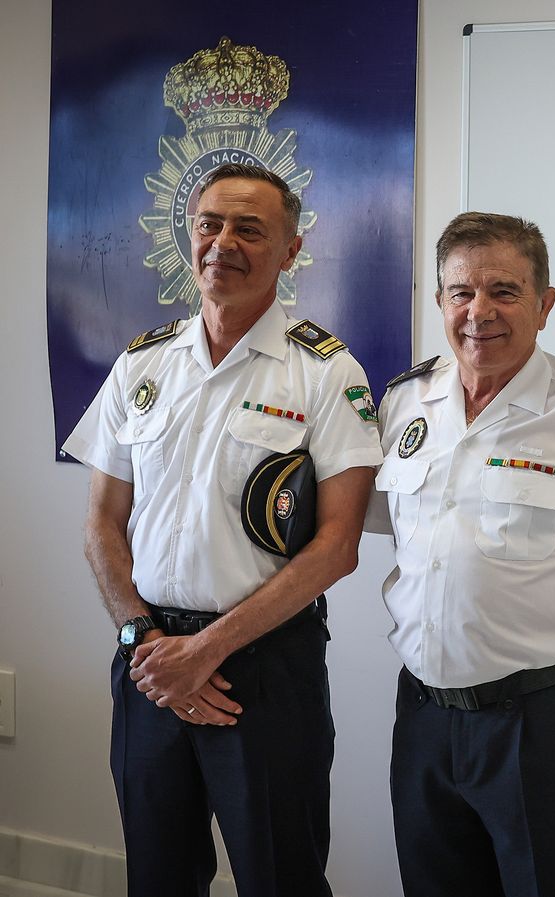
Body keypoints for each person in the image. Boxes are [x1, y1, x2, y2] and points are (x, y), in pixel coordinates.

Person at [65, 163, 381, 897]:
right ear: (189, 233)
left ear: (290, 250)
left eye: (249, 228)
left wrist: (204, 651)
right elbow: (101, 524)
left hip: (265, 672)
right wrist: (143, 642)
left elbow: (337, 547)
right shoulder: (142, 364)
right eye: (210, 223)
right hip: (147, 663)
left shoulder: (327, 375)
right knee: (159, 878)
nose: (222, 242)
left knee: (282, 877)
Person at [368, 212, 555, 897]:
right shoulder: (403, 402)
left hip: (543, 723)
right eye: (460, 293)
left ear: (545, 304)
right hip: (423, 715)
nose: (479, 312)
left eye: (504, 291)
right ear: (441, 302)